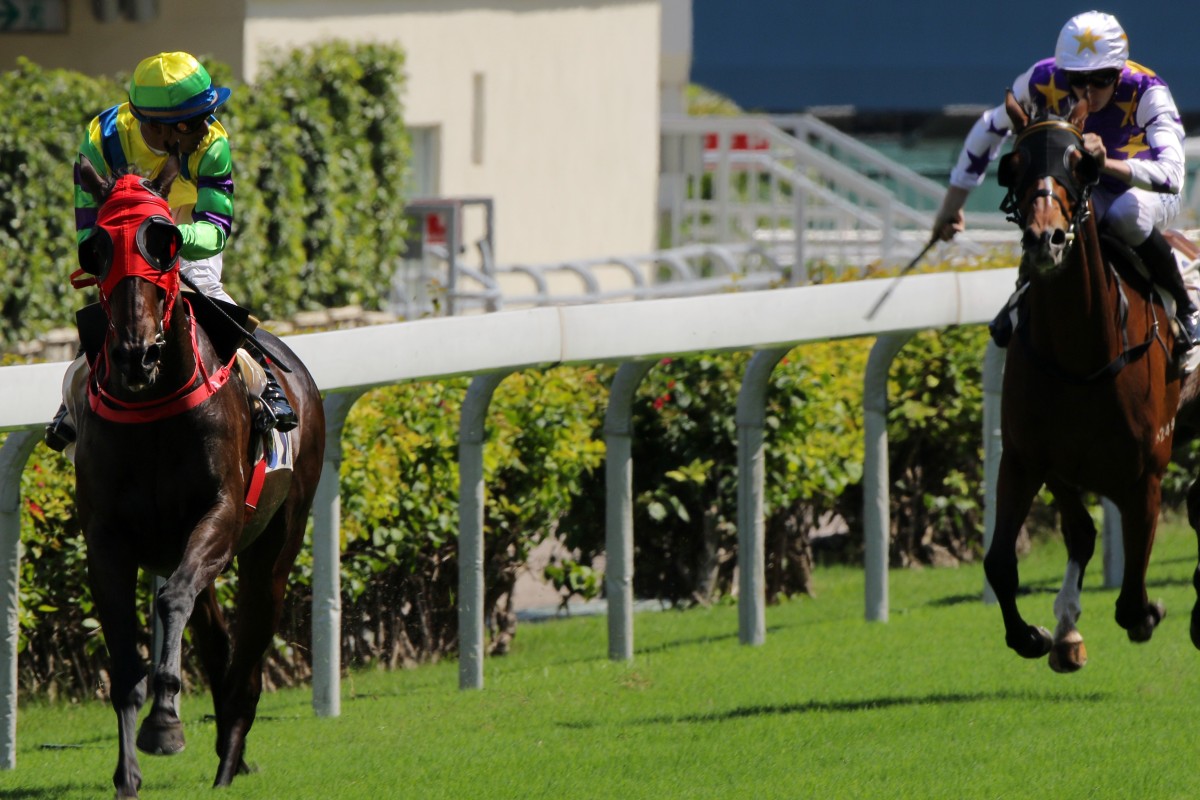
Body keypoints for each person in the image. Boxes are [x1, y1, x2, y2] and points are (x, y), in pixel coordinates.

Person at [45, 51, 296, 452]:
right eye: (196, 120)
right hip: (123, 228)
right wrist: (127, 247)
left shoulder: (213, 143)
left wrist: (168, 237)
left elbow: (215, 231)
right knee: (117, 302)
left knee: (206, 290)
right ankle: (71, 403)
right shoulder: (101, 139)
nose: (208, 125)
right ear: (162, 130)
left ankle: (265, 383)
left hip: (186, 220)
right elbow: (87, 232)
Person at [931, 10, 1196, 349]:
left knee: (1126, 215)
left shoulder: (1147, 91)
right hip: (1090, 188)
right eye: (1076, 79)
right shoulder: (1042, 79)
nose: (1087, 91)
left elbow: (1172, 176)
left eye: (1100, 79)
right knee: (1050, 213)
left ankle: (1187, 305)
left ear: (1119, 71)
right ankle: (1024, 292)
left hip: (1149, 189)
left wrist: (1105, 163)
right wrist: (952, 206)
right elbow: (990, 127)